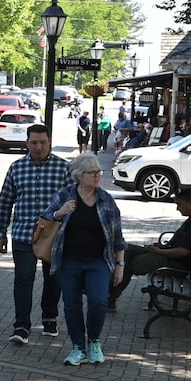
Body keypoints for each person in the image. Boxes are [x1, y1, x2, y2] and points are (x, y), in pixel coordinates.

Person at [42, 153, 127, 366]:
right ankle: (78, 347)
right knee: (71, 305)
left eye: (99, 172)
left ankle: (94, 341)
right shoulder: (65, 196)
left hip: (98, 261)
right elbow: (46, 217)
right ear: (79, 176)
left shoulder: (106, 199)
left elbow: (118, 236)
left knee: (99, 302)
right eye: (92, 173)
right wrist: (60, 213)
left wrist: (120, 265)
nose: (97, 176)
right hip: (69, 261)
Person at [0, 123, 72, 345]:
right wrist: (1, 231)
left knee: (53, 279)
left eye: (43, 143)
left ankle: (49, 317)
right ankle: (21, 326)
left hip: (54, 236)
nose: (38, 147)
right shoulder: (16, 168)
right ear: (27, 143)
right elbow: (5, 201)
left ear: (49, 143)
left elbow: (73, 202)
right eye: (34, 142)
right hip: (24, 234)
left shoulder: (64, 168)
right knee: (23, 279)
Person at [111, 188, 191, 311]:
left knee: (135, 263)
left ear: (190, 204)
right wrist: (160, 246)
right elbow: (180, 245)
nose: (177, 208)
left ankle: (110, 296)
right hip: (169, 256)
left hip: (178, 265)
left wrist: (159, 251)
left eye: (179, 204)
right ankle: (110, 293)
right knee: (127, 250)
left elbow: (183, 252)